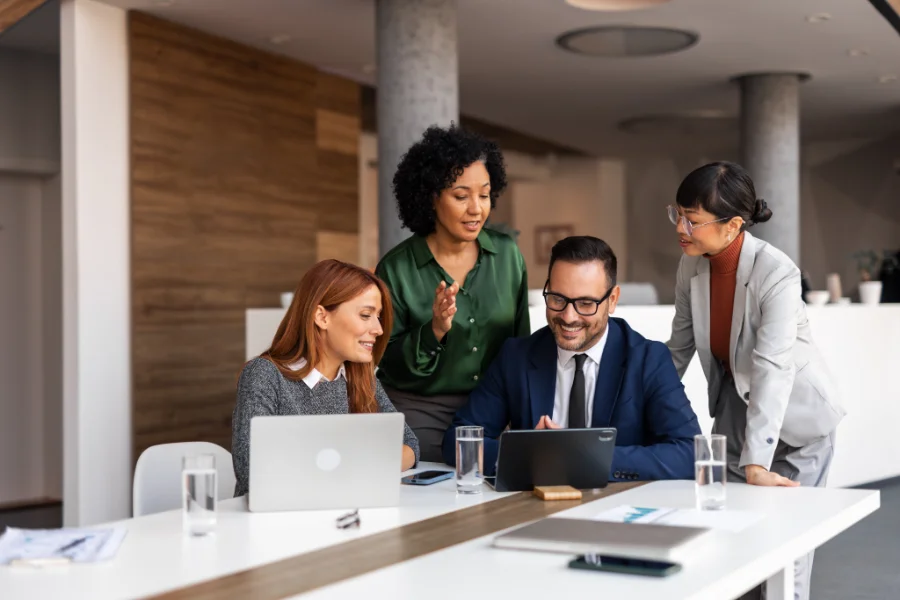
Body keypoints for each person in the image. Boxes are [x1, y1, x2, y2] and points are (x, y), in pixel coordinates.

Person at [665, 161, 846, 600]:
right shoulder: (691, 268)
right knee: (730, 536)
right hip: (734, 406)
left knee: (787, 549)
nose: (681, 228)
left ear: (733, 226)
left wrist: (757, 464)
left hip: (799, 420)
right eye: (678, 214)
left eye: (694, 219)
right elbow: (677, 350)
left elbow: (772, 368)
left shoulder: (776, 273)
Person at [441, 236, 701, 481]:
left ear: (612, 300)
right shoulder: (517, 357)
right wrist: (528, 454)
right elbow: (458, 440)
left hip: (618, 511)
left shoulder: (647, 360)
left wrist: (583, 457)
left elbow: (690, 453)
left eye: (586, 304)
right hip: (535, 509)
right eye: (557, 299)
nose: (568, 317)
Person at [376, 125, 530, 462]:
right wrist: (433, 332)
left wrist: (519, 411)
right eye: (461, 196)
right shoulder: (397, 268)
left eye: (485, 195)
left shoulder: (508, 257)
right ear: (431, 197)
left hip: (492, 408)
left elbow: (521, 344)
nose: (476, 208)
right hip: (419, 411)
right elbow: (385, 361)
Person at [232, 260, 419, 497]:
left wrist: (342, 467)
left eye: (378, 317)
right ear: (321, 317)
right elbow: (254, 473)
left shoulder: (360, 377)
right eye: (365, 315)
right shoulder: (264, 375)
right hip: (274, 524)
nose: (379, 329)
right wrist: (363, 463)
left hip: (346, 515)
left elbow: (410, 447)